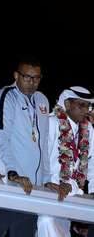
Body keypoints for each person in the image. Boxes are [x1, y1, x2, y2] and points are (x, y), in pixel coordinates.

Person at [0, 57, 50, 236]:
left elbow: (43, 143)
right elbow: (0, 138)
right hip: (10, 184)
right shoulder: (6, 95)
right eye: (27, 77)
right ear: (16, 75)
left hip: (33, 189)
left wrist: (46, 180)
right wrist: (13, 173)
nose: (32, 82)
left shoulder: (42, 100)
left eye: (36, 78)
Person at [37, 86, 93, 237]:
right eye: (81, 105)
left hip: (72, 194)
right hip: (50, 191)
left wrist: (93, 191)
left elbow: (92, 163)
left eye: (88, 106)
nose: (86, 110)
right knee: (46, 222)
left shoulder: (88, 130)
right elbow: (41, 157)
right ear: (67, 105)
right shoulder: (51, 122)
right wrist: (47, 182)